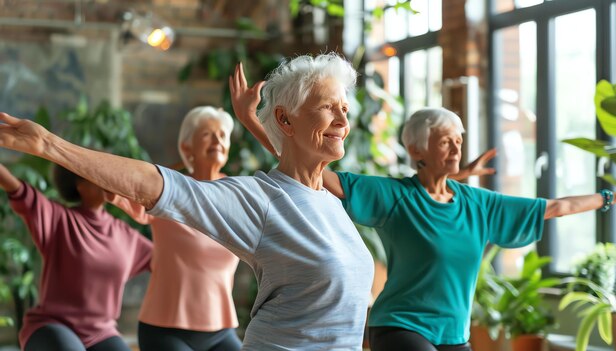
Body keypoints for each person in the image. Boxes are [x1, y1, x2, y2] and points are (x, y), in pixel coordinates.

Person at [230, 68, 616, 351]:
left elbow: (555, 206)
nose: (456, 148)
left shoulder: (478, 204)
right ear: (417, 150)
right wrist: (252, 119)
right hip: (399, 327)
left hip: (454, 335)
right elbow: (309, 167)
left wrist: (614, 198)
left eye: (459, 140)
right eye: (444, 142)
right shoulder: (395, 197)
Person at [0, 52, 375, 350]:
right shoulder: (257, 200)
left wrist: (248, 119)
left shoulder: (329, 200)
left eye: (345, 108)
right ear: (286, 119)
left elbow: (296, 159)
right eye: (328, 107)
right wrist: (50, 145)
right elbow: (154, 184)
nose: (343, 119)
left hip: (220, 326)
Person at [108, 106, 241, 351]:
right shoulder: (167, 191)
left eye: (222, 135)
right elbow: (113, 185)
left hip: (221, 330)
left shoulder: (239, 195)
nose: (217, 140)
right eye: (207, 134)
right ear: (187, 147)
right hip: (165, 330)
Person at [0, 163, 152, 351]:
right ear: (80, 185)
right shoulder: (59, 219)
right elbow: (18, 190)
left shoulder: (127, 236)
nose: (108, 179)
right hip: (51, 326)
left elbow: (170, 261)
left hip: (102, 332)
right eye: (98, 174)